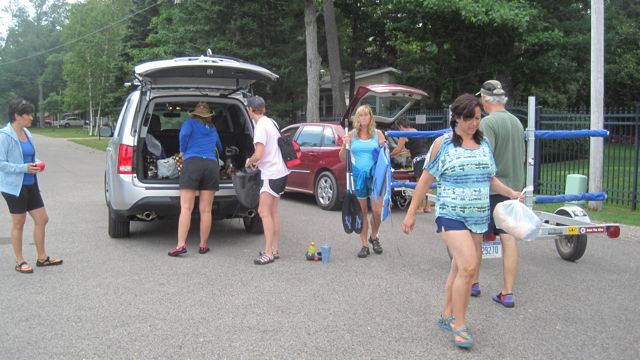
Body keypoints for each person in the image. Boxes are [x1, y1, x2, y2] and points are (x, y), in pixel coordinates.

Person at [402, 94, 522, 349]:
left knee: (458, 268)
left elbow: (491, 178)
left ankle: (447, 314)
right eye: (469, 118)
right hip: (450, 215)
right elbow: (425, 180)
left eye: (478, 118)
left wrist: (511, 193)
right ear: (457, 117)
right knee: (469, 267)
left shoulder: (485, 144)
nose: (473, 123)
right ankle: (460, 324)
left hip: (477, 216)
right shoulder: (443, 144)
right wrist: (412, 212)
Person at [472, 80, 526, 307]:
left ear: (485, 99)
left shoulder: (488, 124)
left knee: (476, 235)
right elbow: (522, 157)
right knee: (509, 238)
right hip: (514, 190)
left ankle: (473, 282)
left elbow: (486, 158)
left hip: (492, 189)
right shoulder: (517, 122)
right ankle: (508, 292)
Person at [0, 99, 63, 273]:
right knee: (18, 223)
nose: (31, 117)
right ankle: (19, 261)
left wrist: (37, 164)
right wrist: (24, 168)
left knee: (42, 219)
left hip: (31, 183)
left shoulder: (27, 133)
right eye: (27, 114)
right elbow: (1, 163)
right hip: (14, 186)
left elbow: (28, 157)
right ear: (16, 116)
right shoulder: (4, 136)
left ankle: (42, 258)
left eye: (30, 113)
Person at [168, 102, 222, 256]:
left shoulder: (189, 123)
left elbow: (183, 136)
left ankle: (181, 245)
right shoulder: (212, 128)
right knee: (206, 210)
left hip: (192, 164)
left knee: (186, 208)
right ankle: (203, 245)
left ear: (194, 114)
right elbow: (219, 145)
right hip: (211, 166)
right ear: (208, 116)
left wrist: (182, 150)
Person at [245, 96, 289, 265]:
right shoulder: (271, 122)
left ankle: (268, 252)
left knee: (263, 212)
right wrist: (258, 162)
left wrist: (249, 161)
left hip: (270, 174)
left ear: (250, 109)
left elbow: (259, 154)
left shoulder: (260, 126)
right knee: (273, 212)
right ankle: (274, 249)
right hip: (281, 171)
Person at [339, 104, 387, 258]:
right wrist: (344, 145)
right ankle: (365, 244)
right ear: (357, 119)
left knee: (377, 211)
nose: (364, 118)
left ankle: (374, 236)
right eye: (361, 115)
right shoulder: (351, 135)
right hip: (357, 177)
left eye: (366, 115)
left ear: (370, 117)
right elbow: (342, 157)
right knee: (362, 212)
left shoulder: (378, 134)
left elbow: (385, 157)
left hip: (375, 177)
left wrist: (384, 147)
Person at [390, 117, 432, 213]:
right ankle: (428, 207)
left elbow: (398, 150)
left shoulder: (403, 134)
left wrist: (389, 154)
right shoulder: (415, 131)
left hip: (418, 159)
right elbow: (411, 149)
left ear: (400, 126)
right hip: (428, 157)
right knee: (427, 183)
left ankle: (420, 207)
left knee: (419, 183)